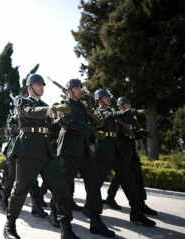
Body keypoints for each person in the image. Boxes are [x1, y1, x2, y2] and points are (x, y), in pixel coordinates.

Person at [4, 74, 80, 239]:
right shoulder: (22, 102)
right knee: (20, 190)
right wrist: (50, 110)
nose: (42, 87)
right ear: (29, 87)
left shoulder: (46, 106)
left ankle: (66, 230)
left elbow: (53, 126)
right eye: (38, 84)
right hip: (28, 150)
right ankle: (9, 226)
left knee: (62, 189)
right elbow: (30, 112)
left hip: (46, 151)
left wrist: (61, 117)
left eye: (43, 85)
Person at [83, 89, 155, 227]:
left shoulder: (110, 112)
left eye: (109, 97)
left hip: (115, 150)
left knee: (129, 178)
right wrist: (131, 111)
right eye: (106, 97)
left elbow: (122, 128)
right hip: (102, 152)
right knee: (96, 183)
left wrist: (139, 132)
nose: (109, 99)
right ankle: (88, 207)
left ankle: (136, 213)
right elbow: (111, 116)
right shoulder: (99, 112)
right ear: (99, 100)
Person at [55, 79, 114, 237]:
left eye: (80, 87)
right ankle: (65, 228)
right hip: (68, 151)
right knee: (65, 189)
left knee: (94, 186)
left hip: (85, 151)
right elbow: (71, 122)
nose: (79, 89)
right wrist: (92, 131)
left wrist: (96, 124)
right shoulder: (63, 105)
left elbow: (89, 123)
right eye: (76, 87)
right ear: (68, 91)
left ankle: (95, 221)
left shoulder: (82, 107)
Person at [105, 96, 157, 215]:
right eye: (127, 104)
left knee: (138, 175)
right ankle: (110, 198)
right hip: (122, 149)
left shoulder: (131, 118)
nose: (130, 106)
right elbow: (120, 134)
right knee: (121, 176)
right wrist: (134, 132)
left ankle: (141, 203)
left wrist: (141, 133)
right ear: (122, 106)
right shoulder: (117, 117)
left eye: (129, 104)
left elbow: (134, 133)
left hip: (131, 149)